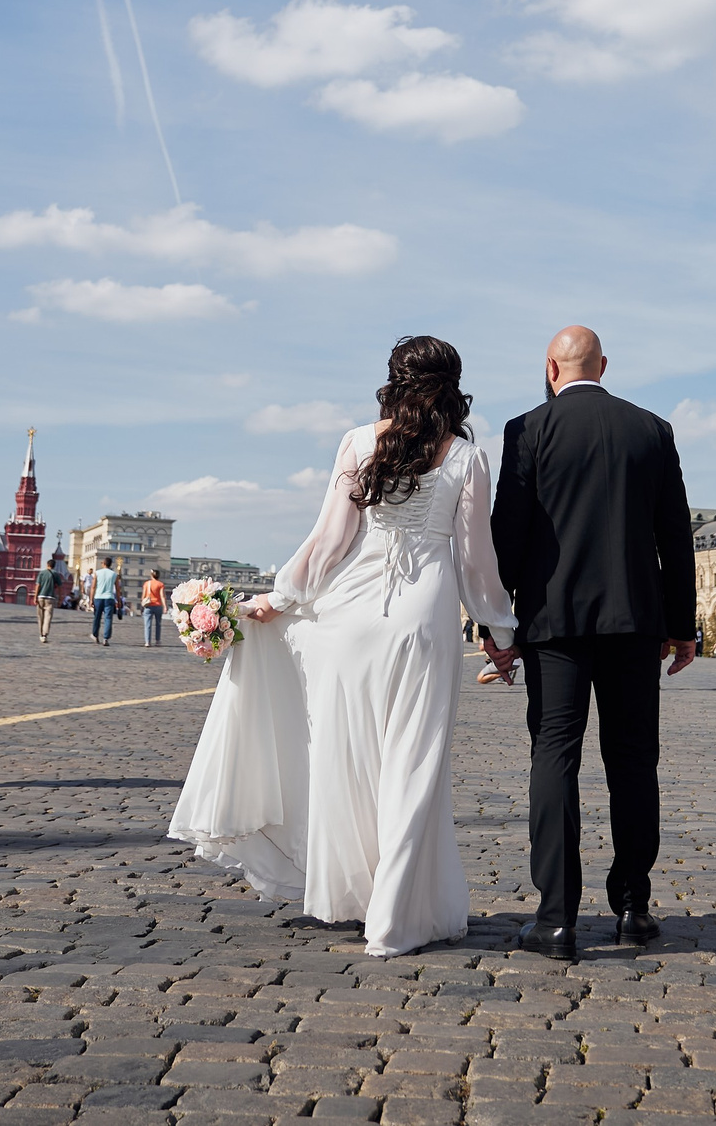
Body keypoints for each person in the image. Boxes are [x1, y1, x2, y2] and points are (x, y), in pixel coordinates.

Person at [170, 335, 520, 958]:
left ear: (392, 380)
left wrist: (280, 597)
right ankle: (394, 919)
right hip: (423, 616)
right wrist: (500, 629)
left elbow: (330, 540)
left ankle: (357, 892)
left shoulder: (360, 442)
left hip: (353, 613)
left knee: (352, 760)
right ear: (454, 386)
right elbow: (475, 561)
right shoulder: (467, 458)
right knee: (414, 765)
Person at [489, 324, 696, 962]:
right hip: (635, 622)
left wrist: (498, 625)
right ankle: (633, 906)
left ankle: (556, 919)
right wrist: (682, 625)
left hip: (553, 624)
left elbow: (508, 535)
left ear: (551, 369)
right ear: (603, 366)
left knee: (555, 756)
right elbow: (675, 535)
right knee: (633, 761)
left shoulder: (527, 430)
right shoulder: (652, 430)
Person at [90, 557, 119, 646]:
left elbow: (93, 587)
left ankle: (95, 635)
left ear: (103, 564)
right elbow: (118, 589)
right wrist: (118, 600)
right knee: (108, 618)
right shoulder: (114, 574)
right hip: (109, 597)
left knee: (97, 617)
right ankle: (106, 638)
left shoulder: (97, 573)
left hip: (98, 597)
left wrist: (91, 599)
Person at [35, 550, 62, 644]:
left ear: (47, 565)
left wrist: (35, 597)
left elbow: (38, 586)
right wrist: (60, 598)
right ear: (54, 566)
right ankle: (44, 635)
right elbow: (60, 587)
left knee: (40, 617)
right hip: (51, 598)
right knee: (48, 617)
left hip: (41, 597)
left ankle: (41, 633)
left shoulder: (42, 573)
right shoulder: (56, 574)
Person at [142, 569, 166, 647]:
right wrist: (165, 606)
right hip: (158, 605)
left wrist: (142, 604)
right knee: (158, 624)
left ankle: (147, 642)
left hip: (148, 606)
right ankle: (157, 641)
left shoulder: (147, 584)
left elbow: (144, 595)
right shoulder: (160, 584)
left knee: (147, 625)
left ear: (151, 575)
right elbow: (162, 596)